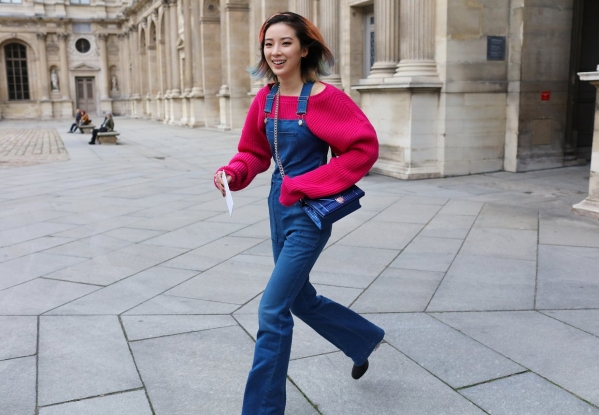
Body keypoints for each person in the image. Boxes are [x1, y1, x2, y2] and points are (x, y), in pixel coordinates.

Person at [214, 12, 384, 414]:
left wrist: (308, 184)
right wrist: (233, 173)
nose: (276, 51)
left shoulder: (327, 98)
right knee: (300, 298)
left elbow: (363, 148)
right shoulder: (266, 99)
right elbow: (254, 153)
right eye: (269, 44)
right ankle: (361, 339)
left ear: (305, 48)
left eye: (285, 43)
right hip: (278, 208)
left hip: (310, 214)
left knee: (272, 309)